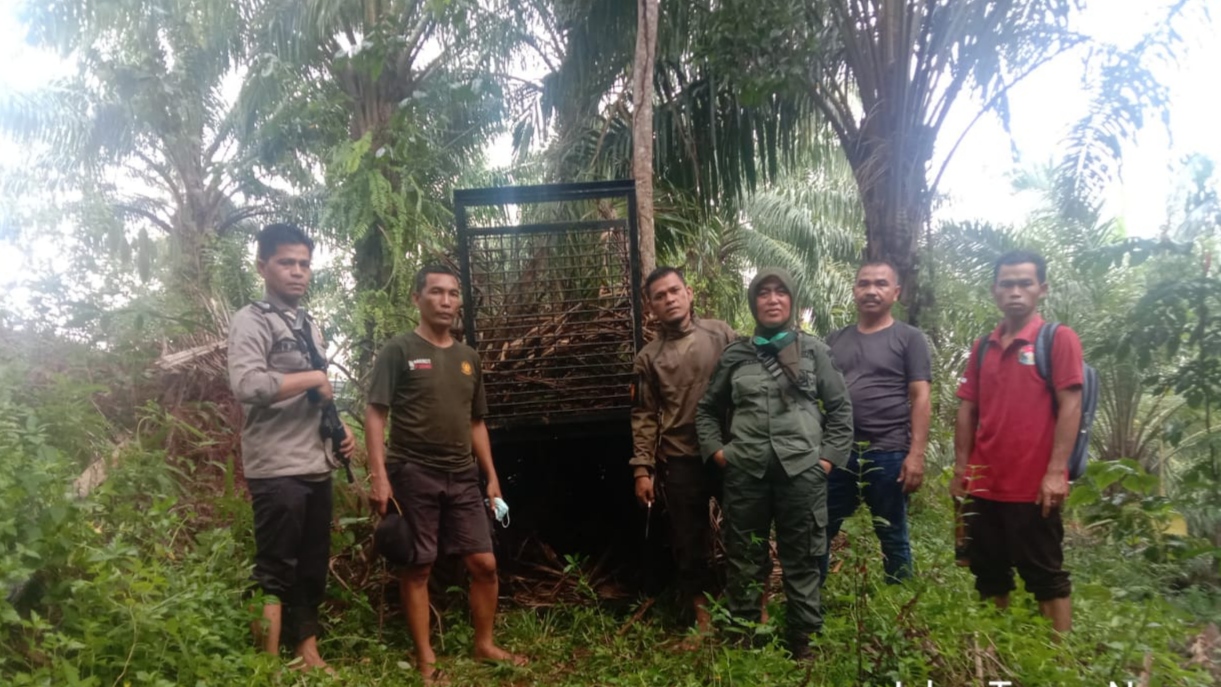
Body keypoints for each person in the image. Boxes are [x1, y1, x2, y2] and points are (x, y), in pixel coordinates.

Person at [365, 265, 525, 684]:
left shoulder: (468, 358)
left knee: (485, 563)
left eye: (453, 293)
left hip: (463, 474)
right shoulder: (398, 351)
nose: (447, 301)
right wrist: (379, 475)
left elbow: (476, 423)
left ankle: (484, 643)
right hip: (413, 472)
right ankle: (425, 658)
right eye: (436, 292)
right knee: (419, 567)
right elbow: (375, 414)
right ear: (417, 298)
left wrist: (490, 476)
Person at [695, 267, 853, 660]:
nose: (772, 299)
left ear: (791, 300)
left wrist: (827, 461)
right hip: (745, 473)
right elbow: (707, 410)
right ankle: (745, 636)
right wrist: (718, 452)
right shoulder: (736, 354)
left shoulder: (814, 350)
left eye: (780, 292)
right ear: (754, 303)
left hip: (802, 473)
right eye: (763, 293)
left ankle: (804, 642)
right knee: (744, 556)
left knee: (802, 558)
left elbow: (840, 410)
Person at [227, 223, 356, 672]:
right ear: (262, 266)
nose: (297, 272)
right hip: (276, 466)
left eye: (304, 263)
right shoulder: (252, 319)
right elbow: (246, 384)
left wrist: (338, 433)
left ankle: (307, 653)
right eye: (286, 262)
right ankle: (265, 666)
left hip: (315, 463)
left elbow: (313, 395)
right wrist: (314, 379)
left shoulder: (310, 325)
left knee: (311, 566)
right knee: (274, 568)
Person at [952, 250, 1082, 634]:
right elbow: (967, 409)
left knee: (1045, 575)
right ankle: (997, 656)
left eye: (1025, 283)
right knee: (988, 573)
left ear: (1042, 289)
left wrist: (1057, 472)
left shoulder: (1057, 339)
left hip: (1033, 488)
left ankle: (1057, 665)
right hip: (984, 484)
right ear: (994, 290)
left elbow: (1070, 404)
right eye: (1007, 283)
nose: (1015, 291)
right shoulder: (983, 347)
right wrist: (962, 470)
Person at [630, 266, 737, 641]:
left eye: (674, 291)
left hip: (729, 455)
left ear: (689, 293)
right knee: (689, 544)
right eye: (660, 296)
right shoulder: (649, 357)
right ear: (650, 307)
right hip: (680, 460)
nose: (669, 299)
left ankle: (755, 612)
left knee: (744, 532)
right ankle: (704, 621)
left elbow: (750, 383)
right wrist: (642, 469)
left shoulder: (722, 334)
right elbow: (643, 415)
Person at [821, 261, 931, 584]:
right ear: (854, 290)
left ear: (895, 292)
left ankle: (898, 607)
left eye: (881, 284)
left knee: (892, 533)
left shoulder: (909, 338)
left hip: (888, 452)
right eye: (864, 283)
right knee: (821, 528)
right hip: (838, 453)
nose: (871, 290)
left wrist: (916, 455)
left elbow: (921, 396)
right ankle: (810, 602)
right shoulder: (834, 339)